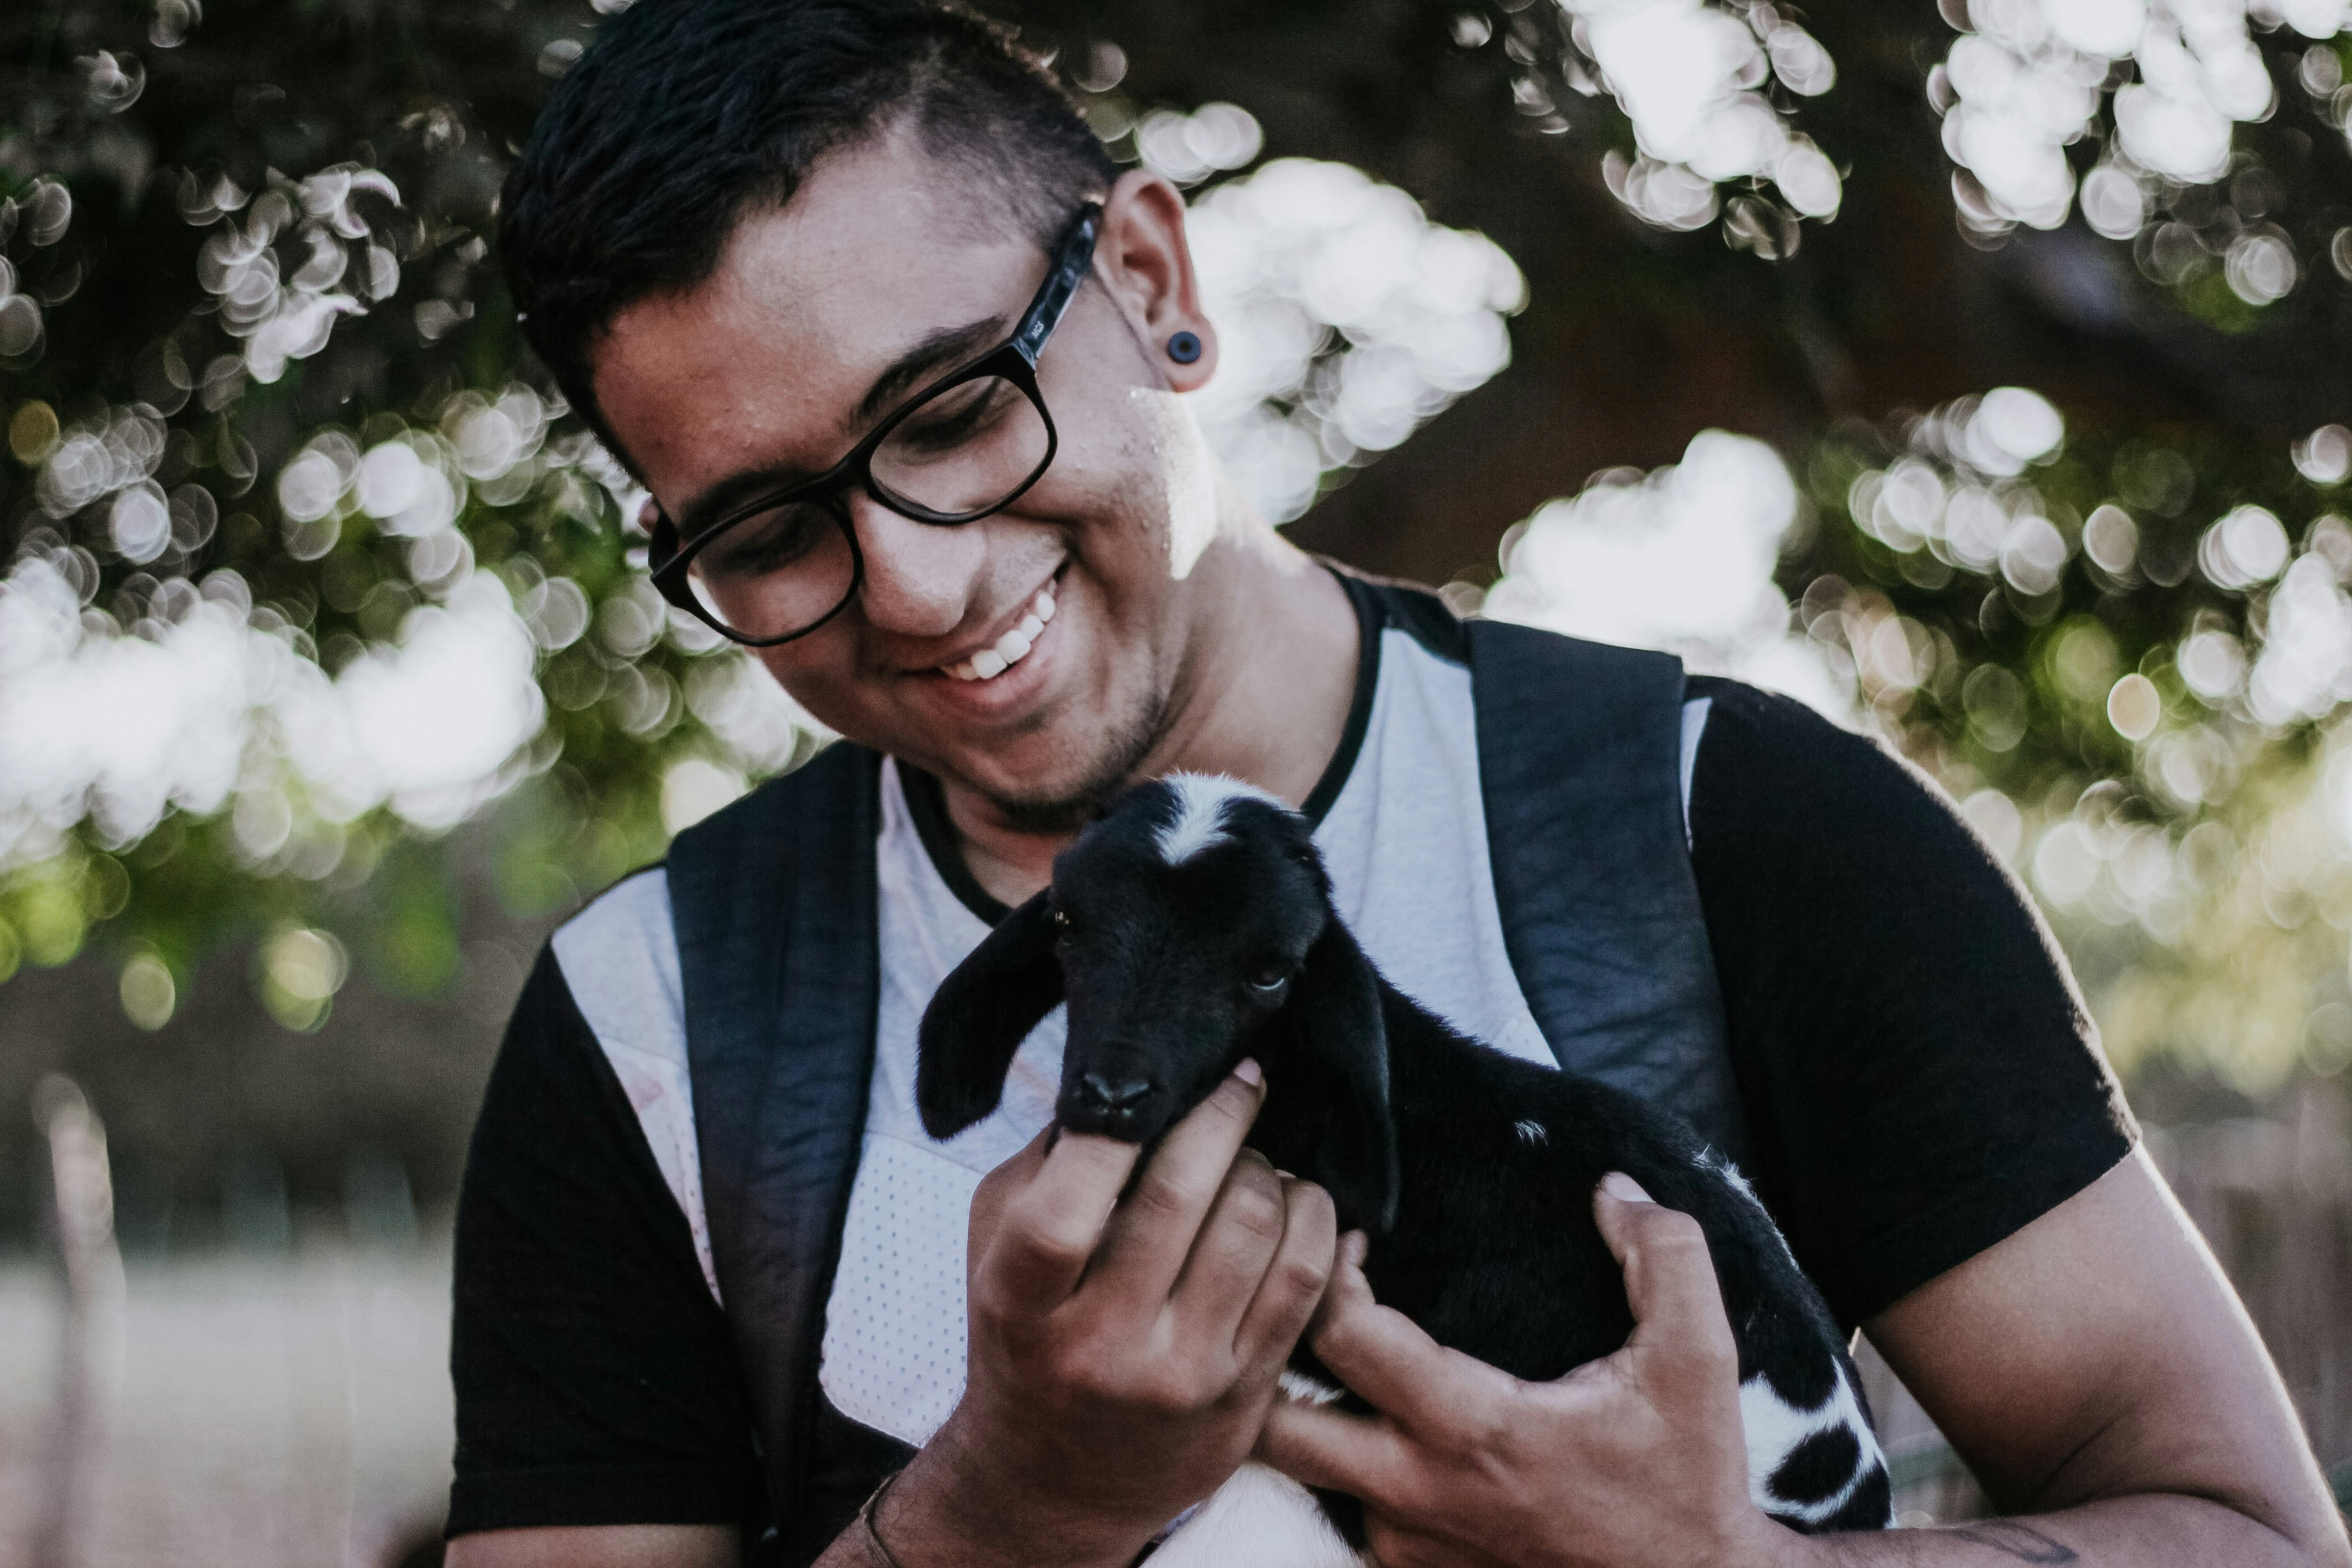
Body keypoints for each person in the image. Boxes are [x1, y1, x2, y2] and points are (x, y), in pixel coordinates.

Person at [445, 2, 2352, 1566]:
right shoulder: (647, 1026)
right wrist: (997, 1515)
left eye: (953, 408)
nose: (921, 581)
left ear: (1151, 280)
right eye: (769, 530)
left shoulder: (1730, 836)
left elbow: (2251, 1534)